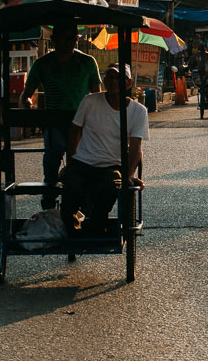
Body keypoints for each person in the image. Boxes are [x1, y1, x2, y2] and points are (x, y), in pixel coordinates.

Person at [20, 23, 101, 209]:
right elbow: (26, 95)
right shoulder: (42, 64)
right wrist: (28, 106)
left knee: (81, 166)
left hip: (82, 123)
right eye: (65, 36)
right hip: (53, 122)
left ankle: (80, 205)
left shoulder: (87, 62)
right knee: (51, 164)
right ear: (54, 39)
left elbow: (97, 95)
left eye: (74, 37)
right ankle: (49, 203)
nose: (71, 41)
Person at [62, 64, 147, 237]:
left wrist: (129, 174)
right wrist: (71, 161)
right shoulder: (90, 101)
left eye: (119, 78)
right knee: (71, 188)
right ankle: (71, 226)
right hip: (83, 163)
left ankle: (97, 226)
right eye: (110, 77)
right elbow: (74, 132)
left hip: (112, 166)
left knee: (110, 187)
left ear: (128, 83)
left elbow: (136, 148)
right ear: (104, 81)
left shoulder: (139, 111)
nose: (114, 82)